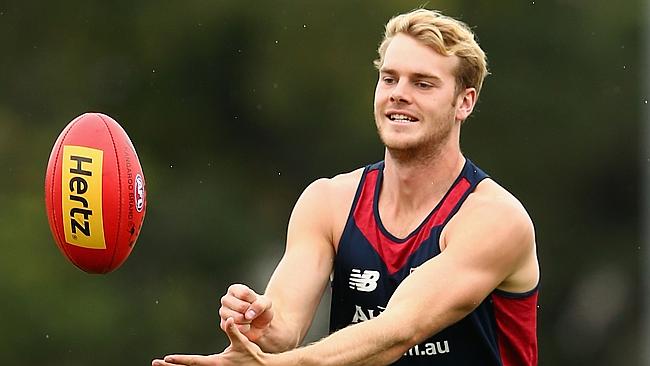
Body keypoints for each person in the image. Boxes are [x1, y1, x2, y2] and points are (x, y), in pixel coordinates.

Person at [153, 8, 540, 366]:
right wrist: (260, 326)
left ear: (464, 103)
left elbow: (398, 331)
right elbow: (284, 327)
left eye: (423, 84)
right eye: (389, 78)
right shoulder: (329, 202)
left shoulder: (494, 219)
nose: (398, 93)